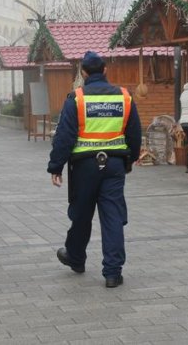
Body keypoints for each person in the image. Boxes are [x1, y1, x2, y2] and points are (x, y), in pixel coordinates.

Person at [48, 51, 141, 288]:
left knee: (81, 214)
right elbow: (134, 134)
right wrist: (129, 160)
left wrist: (55, 166)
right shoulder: (124, 97)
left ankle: (76, 258)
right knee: (113, 217)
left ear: (83, 72)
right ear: (105, 70)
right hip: (114, 165)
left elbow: (65, 137)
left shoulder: (76, 99)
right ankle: (112, 273)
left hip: (84, 167)